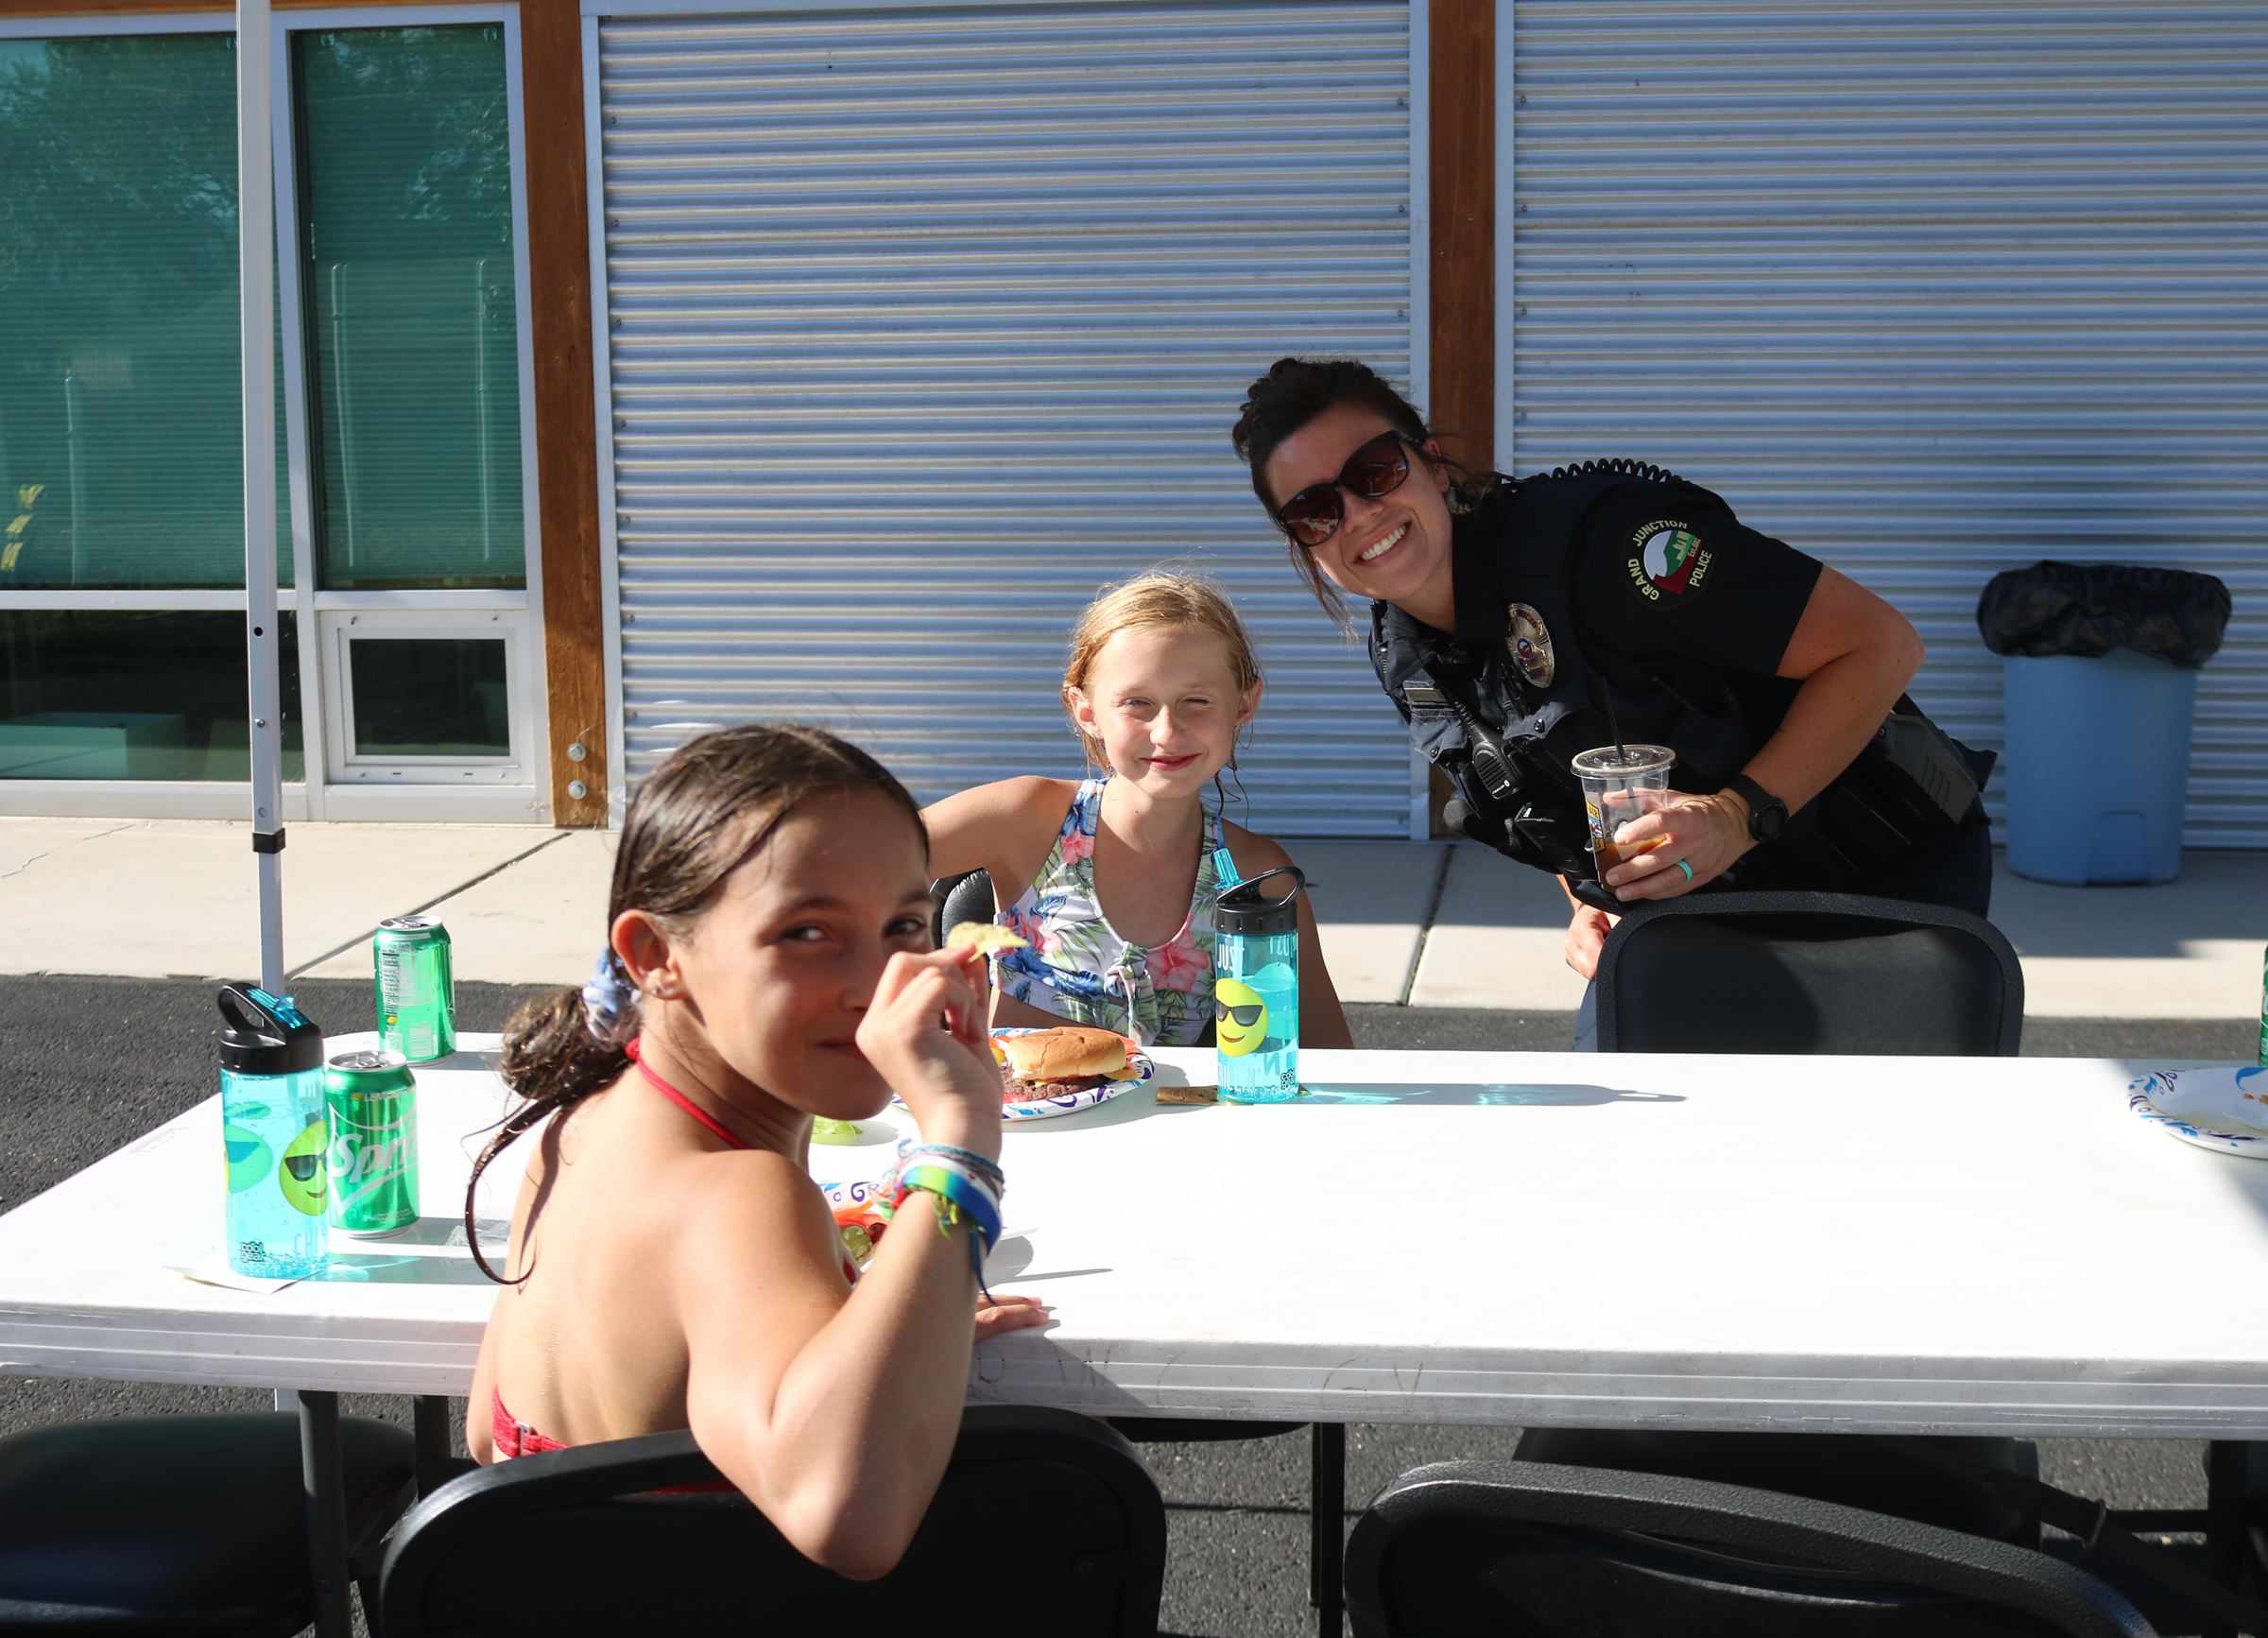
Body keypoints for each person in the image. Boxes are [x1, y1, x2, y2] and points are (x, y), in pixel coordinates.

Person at [1230, 358, 1994, 1046]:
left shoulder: (1607, 549)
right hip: (1688, 920)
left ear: (1431, 462)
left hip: (1875, 891)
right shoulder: (1407, 658)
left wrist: (1735, 815)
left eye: (1374, 471)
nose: (1358, 514)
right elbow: (1542, 791)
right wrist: (1589, 899)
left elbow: (1882, 645)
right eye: (1315, 511)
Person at [462, 724, 1047, 1575]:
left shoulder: (574, 1125)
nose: (876, 983)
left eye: (904, 924)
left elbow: (489, 1435)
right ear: (656, 955)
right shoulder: (740, 1195)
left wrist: (896, 1330)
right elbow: (849, 1517)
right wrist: (962, 1139)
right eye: (807, 932)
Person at [923, 571, 1352, 1049]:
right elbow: (862, 859)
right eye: (1136, 703)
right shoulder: (1026, 819)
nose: (1167, 731)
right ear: (1086, 712)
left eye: (1197, 701)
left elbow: (1330, 1057)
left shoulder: (1255, 876)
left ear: (1243, 704)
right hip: (1017, 1101)